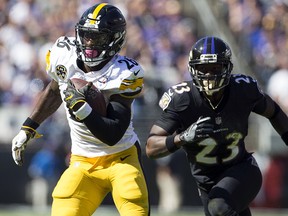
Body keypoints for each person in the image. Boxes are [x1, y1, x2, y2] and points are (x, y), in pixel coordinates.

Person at [11, 3, 149, 216]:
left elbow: (112, 134)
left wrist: (81, 108)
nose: (90, 43)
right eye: (85, 35)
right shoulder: (63, 54)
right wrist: (28, 127)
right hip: (82, 161)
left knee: (134, 205)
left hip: (120, 158)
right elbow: (54, 91)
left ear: (115, 39)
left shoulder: (123, 72)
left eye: (98, 37)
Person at [146, 36, 288, 216]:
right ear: (193, 69)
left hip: (242, 170)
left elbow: (274, 112)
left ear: (227, 68)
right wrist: (182, 138)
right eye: (203, 69)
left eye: (215, 68)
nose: (209, 76)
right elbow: (151, 147)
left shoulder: (242, 90)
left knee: (219, 207)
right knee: (219, 207)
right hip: (207, 183)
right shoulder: (183, 99)